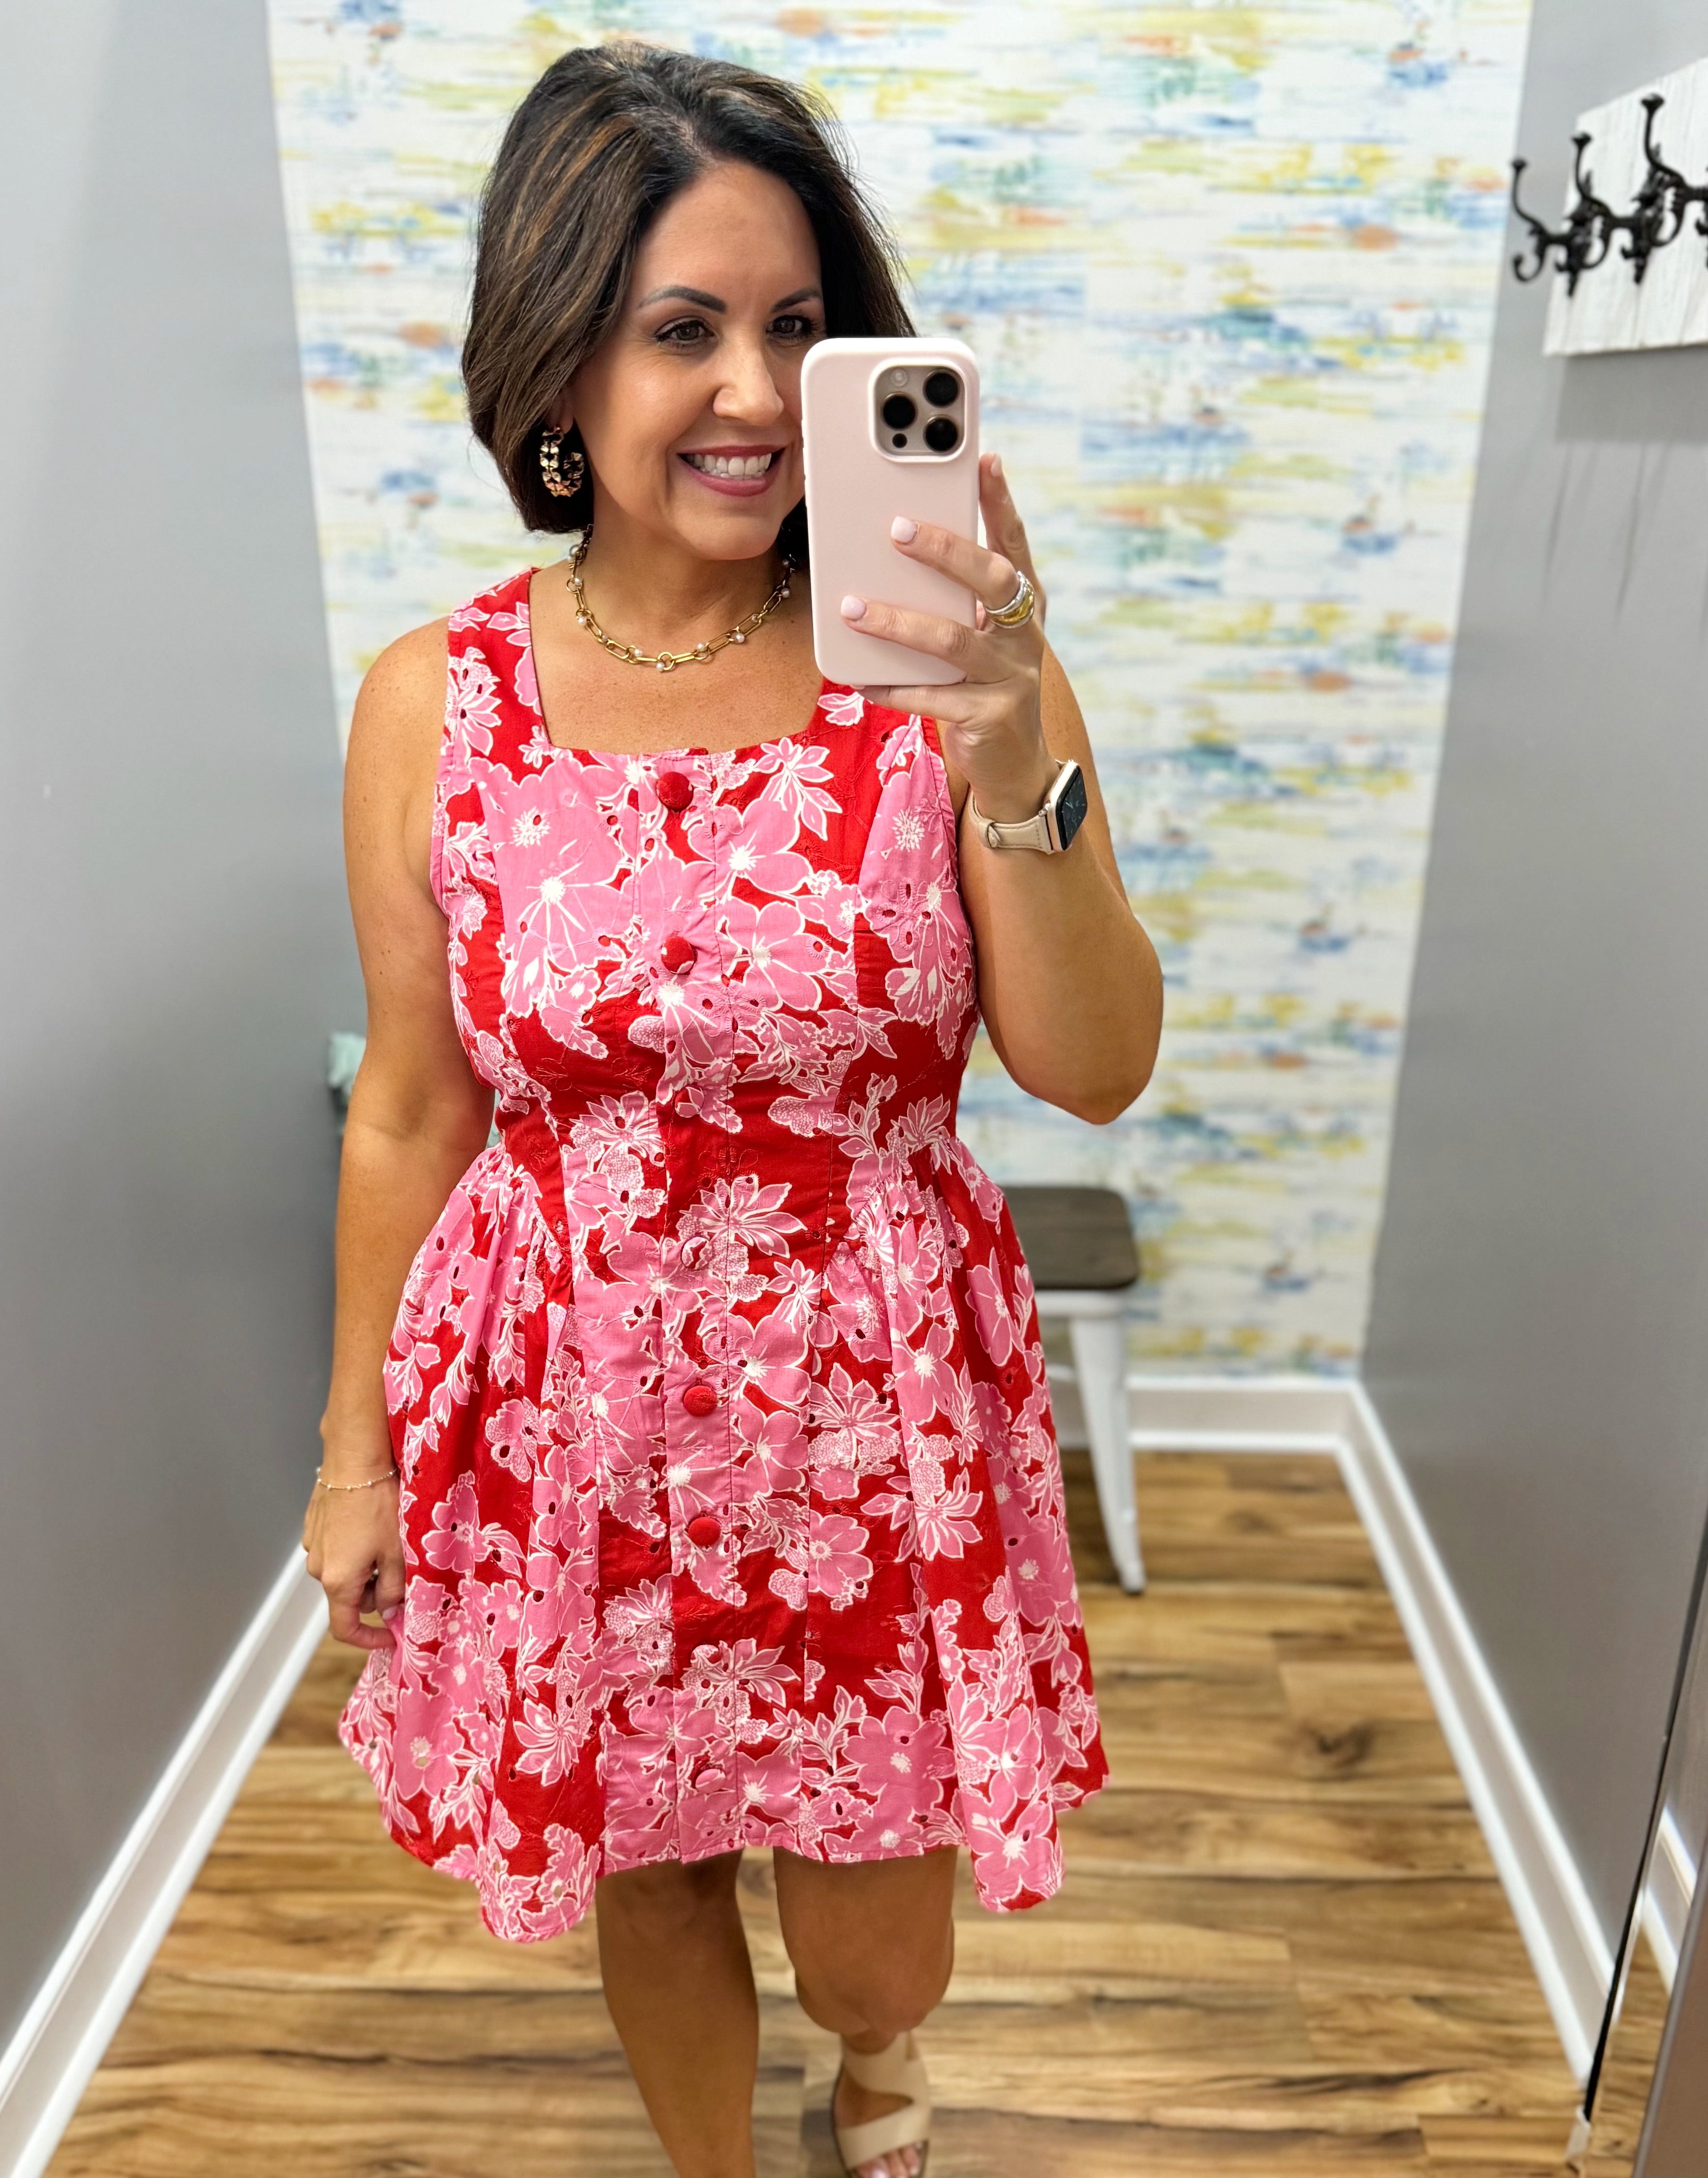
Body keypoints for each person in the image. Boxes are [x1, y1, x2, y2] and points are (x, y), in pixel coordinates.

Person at [301, 41, 1162, 2178]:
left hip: (870, 1410)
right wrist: (354, 1446)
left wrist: (995, 752)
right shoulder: (439, 700)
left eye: (800, 328)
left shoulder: (952, 671)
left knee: (879, 1935)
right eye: (683, 330)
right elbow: (411, 1109)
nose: (761, 396)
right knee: (647, 1865)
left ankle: (877, 2068)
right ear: (556, 365)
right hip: (567, 1407)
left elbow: (1093, 1063)